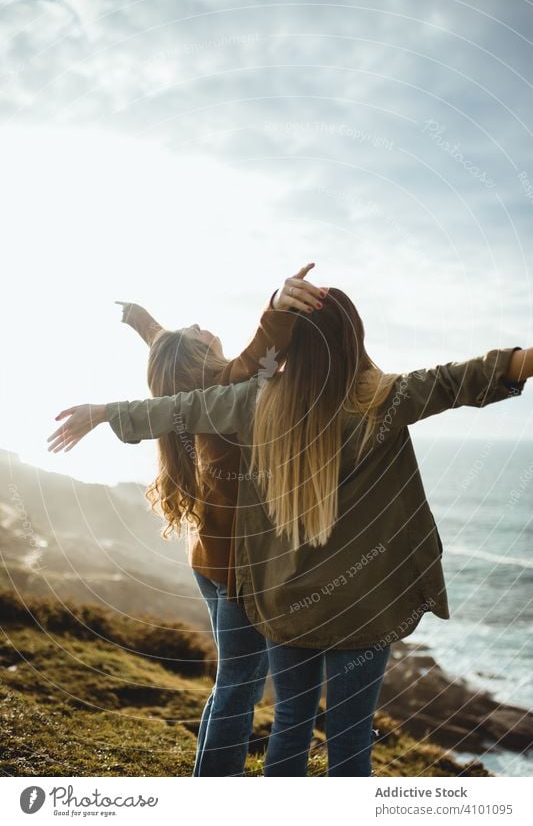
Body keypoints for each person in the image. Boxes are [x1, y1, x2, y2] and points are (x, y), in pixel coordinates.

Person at [47, 288, 531, 776]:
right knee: (342, 732)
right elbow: (465, 378)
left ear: (291, 347)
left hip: (281, 594)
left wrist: (107, 406)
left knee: (289, 715)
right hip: (351, 601)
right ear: (354, 340)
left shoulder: (252, 400)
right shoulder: (385, 398)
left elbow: (177, 405)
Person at [58, 263, 325, 777]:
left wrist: (140, 318)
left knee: (237, 679)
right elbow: (261, 345)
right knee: (241, 685)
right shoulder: (224, 382)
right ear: (200, 357)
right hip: (237, 568)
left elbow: (165, 345)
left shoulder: (185, 384)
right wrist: (279, 302)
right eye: (197, 333)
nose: (202, 325)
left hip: (210, 559)